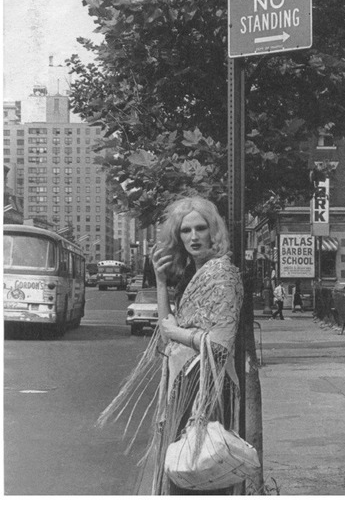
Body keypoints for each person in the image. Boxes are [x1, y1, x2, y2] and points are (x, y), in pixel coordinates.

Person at [97, 196, 243, 495]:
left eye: (200, 228)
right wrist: (160, 282)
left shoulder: (223, 274)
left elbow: (220, 345)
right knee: (180, 470)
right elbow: (165, 332)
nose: (193, 237)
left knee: (199, 472)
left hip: (208, 389)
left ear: (213, 231)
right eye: (185, 231)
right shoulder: (193, 273)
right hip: (184, 383)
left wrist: (179, 333)